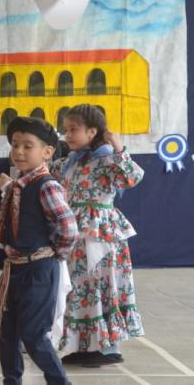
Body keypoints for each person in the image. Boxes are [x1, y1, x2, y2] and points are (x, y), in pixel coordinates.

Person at [0, 117, 78, 385]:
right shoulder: (17, 186)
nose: (19, 151)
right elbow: (1, 220)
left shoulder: (46, 186)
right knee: (8, 334)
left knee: (34, 335)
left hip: (38, 270)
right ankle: (12, 381)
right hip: (15, 270)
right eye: (15, 145)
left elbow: (68, 227)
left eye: (27, 146)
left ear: (47, 152)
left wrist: (56, 254)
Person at [49, 105, 144, 367]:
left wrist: (118, 146)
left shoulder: (106, 159)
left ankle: (105, 346)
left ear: (92, 131)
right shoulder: (69, 161)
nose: (68, 135)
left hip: (100, 232)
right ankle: (83, 344)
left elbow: (133, 177)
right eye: (66, 129)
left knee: (100, 285)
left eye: (74, 129)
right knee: (79, 287)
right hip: (75, 232)